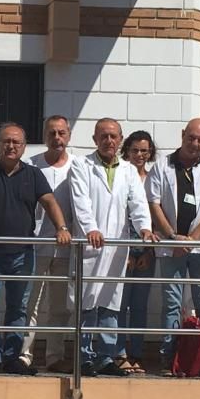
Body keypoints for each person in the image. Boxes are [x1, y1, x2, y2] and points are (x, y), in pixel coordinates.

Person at [0, 122, 71, 375]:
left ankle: (11, 357)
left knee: (19, 308)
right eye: (6, 141)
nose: (11, 146)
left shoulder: (33, 174)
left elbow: (50, 201)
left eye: (16, 142)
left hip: (23, 254)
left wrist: (62, 228)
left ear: (24, 146)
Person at [146, 118, 200, 377]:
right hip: (171, 246)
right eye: (191, 138)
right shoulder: (162, 166)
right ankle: (169, 356)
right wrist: (174, 238)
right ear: (183, 135)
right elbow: (154, 205)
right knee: (171, 301)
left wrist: (193, 239)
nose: (195, 143)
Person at [70, 119, 154, 377]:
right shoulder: (81, 165)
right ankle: (84, 357)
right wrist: (90, 229)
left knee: (111, 303)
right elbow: (81, 201)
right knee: (87, 302)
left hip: (116, 246)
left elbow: (138, 202)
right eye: (104, 136)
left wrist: (144, 228)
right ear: (95, 139)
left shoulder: (128, 170)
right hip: (91, 244)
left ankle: (106, 357)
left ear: (120, 140)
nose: (109, 141)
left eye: (113, 136)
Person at [17, 115, 74, 374]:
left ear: (69, 135)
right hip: (35, 245)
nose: (57, 138)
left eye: (61, 133)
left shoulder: (78, 166)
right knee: (30, 303)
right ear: (45, 135)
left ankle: (55, 356)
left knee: (59, 307)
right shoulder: (30, 165)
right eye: (52, 133)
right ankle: (23, 354)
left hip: (65, 247)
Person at [115, 130, 158, 374]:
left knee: (140, 305)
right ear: (127, 151)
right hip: (123, 252)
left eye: (144, 150)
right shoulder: (121, 175)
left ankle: (137, 354)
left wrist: (148, 251)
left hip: (148, 253)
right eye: (135, 150)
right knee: (120, 304)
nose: (139, 155)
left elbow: (156, 217)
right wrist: (128, 252)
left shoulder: (154, 179)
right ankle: (119, 353)